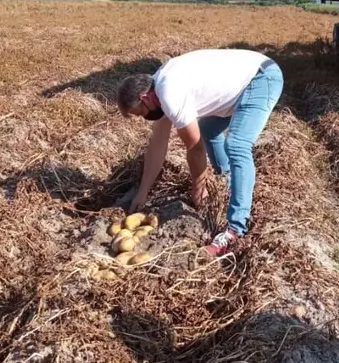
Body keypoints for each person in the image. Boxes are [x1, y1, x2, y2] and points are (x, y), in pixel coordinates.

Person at [116, 48, 284, 257]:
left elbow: (195, 148)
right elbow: (157, 147)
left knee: (237, 145)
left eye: (139, 113)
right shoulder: (157, 88)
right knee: (208, 130)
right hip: (243, 82)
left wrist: (199, 188)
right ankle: (227, 179)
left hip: (260, 78)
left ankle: (235, 229)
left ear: (144, 98)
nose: (143, 117)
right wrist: (143, 192)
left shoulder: (169, 93)